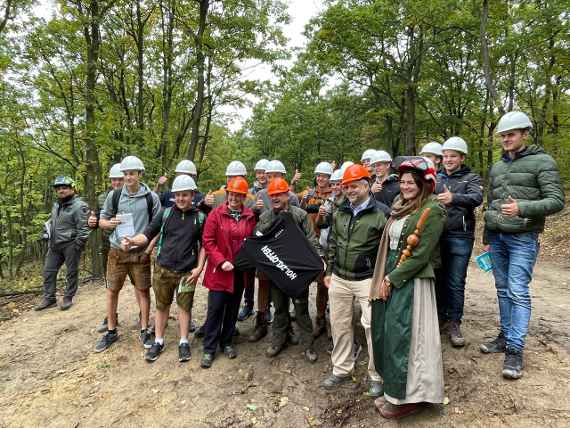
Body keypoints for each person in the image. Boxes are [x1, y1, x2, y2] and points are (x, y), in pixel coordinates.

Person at [481, 111, 565, 379]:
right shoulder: (497, 167)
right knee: (502, 289)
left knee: (517, 290)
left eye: (511, 134)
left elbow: (556, 200)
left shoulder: (543, 161)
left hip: (523, 238)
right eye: (503, 135)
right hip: (497, 237)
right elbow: (490, 202)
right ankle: (505, 337)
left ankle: (515, 350)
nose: (506, 139)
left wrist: (522, 208)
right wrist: (486, 238)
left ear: (524, 134)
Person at [369, 157, 446, 419]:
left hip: (413, 280)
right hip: (391, 271)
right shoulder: (399, 205)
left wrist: (391, 279)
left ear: (423, 184)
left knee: (408, 338)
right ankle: (394, 392)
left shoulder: (433, 210)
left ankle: (410, 397)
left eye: (411, 182)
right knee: (389, 334)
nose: (405, 187)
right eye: (402, 182)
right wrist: (385, 275)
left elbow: (421, 255)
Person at [321, 164, 389, 397]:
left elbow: (388, 250)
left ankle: (377, 375)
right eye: (347, 186)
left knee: (373, 327)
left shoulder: (382, 213)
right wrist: (329, 271)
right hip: (340, 276)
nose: (350, 190)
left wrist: (384, 279)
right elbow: (332, 243)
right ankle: (341, 369)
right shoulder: (340, 211)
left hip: (368, 279)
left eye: (355, 186)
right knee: (339, 323)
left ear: (366, 185)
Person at [121, 175, 206, 363]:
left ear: (193, 195)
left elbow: (205, 245)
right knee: (162, 306)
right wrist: (133, 241)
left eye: (185, 195)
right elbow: (148, 233)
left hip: (187, 272)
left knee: (185, 306)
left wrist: (199, 268)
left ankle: (184, 342)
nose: (181, 199)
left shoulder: (200, 218)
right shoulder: (165, 214)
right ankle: (158, 341)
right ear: (174, 195)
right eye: (178, 195)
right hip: (163, 269)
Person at [94, 155, 161, 353]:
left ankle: (144, 329)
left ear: (140, 174)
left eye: (132, 173)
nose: (128, 177)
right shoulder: (114, 196)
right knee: (112, 291)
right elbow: (101, 221)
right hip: (117, 251)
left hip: (140, 253)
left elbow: (158, 226)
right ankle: (112, 331)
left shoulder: (151, 198)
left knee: (142, 290)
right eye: (125, 174)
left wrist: (148, 249)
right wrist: (109, 223)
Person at [256, 177, 319, 363]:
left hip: (297, 274)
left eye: (279, 194)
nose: (275, 198)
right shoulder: (265, 217)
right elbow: (258, 243)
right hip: (277, 274)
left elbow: (312, 242)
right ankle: (278, 341)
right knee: (280, 309)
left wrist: (311, 266)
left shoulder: (300, 215)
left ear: (287, 195)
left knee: (301, 310)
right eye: (272, 195)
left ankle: (308, 345)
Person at [200, 177, 257, 368]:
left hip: (239, 272)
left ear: (243, 197)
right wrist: (220, 260)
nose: (234, 197)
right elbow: (208, 241)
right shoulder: (215, 215)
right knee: (215, 309)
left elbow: (252, 242)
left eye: (238, 195)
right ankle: (209, 349)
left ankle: (226, 342)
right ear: (227, 194)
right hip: (219, 271)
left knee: (232, 309)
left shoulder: (249, 216)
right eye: (231, 194)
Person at [434, 137, 482, 347]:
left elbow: (476, 198)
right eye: (445, 156)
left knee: (455, 281)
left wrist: (454, 198)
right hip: (436, 236)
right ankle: (438, 318)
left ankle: (454, 322)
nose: (448, 160)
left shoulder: (471, 177)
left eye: (453, 156)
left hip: (460, 235)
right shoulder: (435, 178)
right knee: (437, 278)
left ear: (462, 157)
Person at [248, 159, 299, 343]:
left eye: (276, 176)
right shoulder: (261, 195)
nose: (271, 179)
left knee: (287, 284)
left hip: (285, 249)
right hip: (265, 248)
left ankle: (288, 326)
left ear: (283, 177)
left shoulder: (291, 197)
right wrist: (255, 209)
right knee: (263, 285)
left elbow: (296, 222)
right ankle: (261, 322)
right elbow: (252, 220)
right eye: (269, 176)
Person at [88, 164, 134, 332]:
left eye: (119, 179)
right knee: (111, 285)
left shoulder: (135, 196)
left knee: (138, 285)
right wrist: (91, 223)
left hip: (131, 245)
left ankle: (142, 317)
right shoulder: (103, 198)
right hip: (109, 245)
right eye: (114, 179)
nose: (116, 182)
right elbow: (96, 219)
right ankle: (111, 317)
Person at [35, 176, 90, 311]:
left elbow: (84, 228)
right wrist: (46, 230)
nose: (61, 191)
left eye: (64, 188)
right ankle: (49, 298)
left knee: (71, 272)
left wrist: (78, 245)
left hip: (70, 244)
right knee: (48, 271)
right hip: (54, 245)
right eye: (58, 188)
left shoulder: (79, 206)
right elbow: (53, 221)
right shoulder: (56, 205)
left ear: (72, 189)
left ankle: (68, 298)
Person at [298, 161, 334, 337]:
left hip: (325, 242)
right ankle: (302, 317)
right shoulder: (308, 194)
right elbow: (292, 204)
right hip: (307, 242)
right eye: (319, 175)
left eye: (325, 176)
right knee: (303, 282)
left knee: (322, 284)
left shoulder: (333, 193)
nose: (321, 178)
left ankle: (320, 318)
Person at [237, 158, 270, 322]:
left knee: (268, 273)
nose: (261, 175)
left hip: (268, 238)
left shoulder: (274, 191)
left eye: (264, 172)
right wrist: (253, 208)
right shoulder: (249, 192)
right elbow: (242, 211)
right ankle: (248, 304)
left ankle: (266, 308)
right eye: (258, 172)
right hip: (251, 236)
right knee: (248, 273)